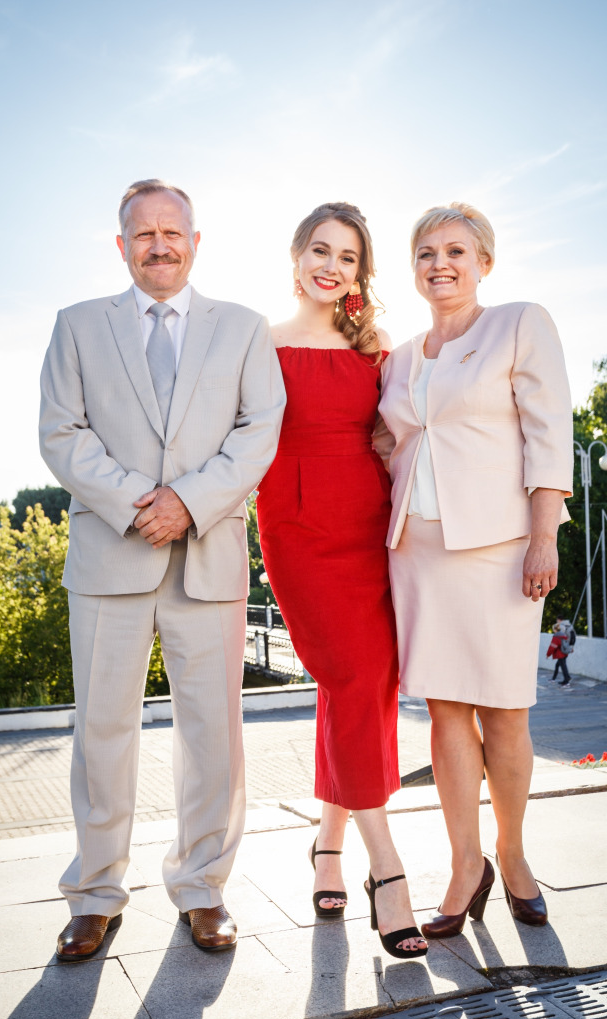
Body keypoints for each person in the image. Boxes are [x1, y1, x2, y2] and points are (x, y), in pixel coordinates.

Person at [39, 179, 286, 959]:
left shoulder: (244, 329)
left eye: (171, 231)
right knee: (102, 731)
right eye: (141, 233)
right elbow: (61, 433)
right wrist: (140, 504)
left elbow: (259, 432)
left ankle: (203, 888)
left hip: (207, 558)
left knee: (213, 736)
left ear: (195, 240)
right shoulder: (76, 326)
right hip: (110, 555)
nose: (158, 244)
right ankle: (95, 892)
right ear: (121, 245)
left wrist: (188, 502)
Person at [375, 202, 573, 936]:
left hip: (498, 547)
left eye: (455, 250)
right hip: (417, 553)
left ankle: (512, 855)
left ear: (483, 261)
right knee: (444, 711)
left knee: (504, 709)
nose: (439, 263)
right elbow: (383, 442)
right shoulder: (398, 357)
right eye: (425, 252)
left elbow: (550, 434)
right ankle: (465, 867)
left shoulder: (519, 322)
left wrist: (543, 535)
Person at [257, 202, 427, 959]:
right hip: (294, 525)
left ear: (360, 272)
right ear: (295, 258)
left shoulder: (373, 346)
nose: (331, 265)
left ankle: (327, 846)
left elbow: (392, 436)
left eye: (348, 257)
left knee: (364, 681)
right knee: (349, 674)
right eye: (319, 250)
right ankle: (384, 869)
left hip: (367, 521)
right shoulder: (257, 343)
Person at [548, 617, 574, 686]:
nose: (553, 630)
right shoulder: (563, 635)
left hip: (560, 654)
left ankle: (566, 681)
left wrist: (548, 654)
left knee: (563, 667)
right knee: (559, 665)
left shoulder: (556, 636)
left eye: (553, 629)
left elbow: (552, 646)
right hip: (564, 653)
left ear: (555, 629)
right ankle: (566, 678)